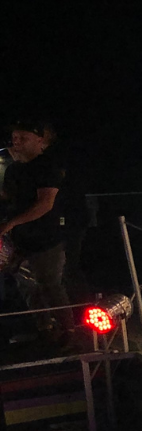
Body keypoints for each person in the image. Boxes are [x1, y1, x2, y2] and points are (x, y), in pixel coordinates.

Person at [1, 120, 69, 339]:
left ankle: (69, 330)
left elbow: (45, 203)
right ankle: (44, 329)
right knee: (26, 286)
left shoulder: (47, 166)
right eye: (15, 138)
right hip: (19, 239)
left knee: (49, 284)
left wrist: (12, 222)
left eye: (23, 138)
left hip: (45, 238)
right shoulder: (12, 170)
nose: (17, 142)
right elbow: (8, 198)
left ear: (39, 141)